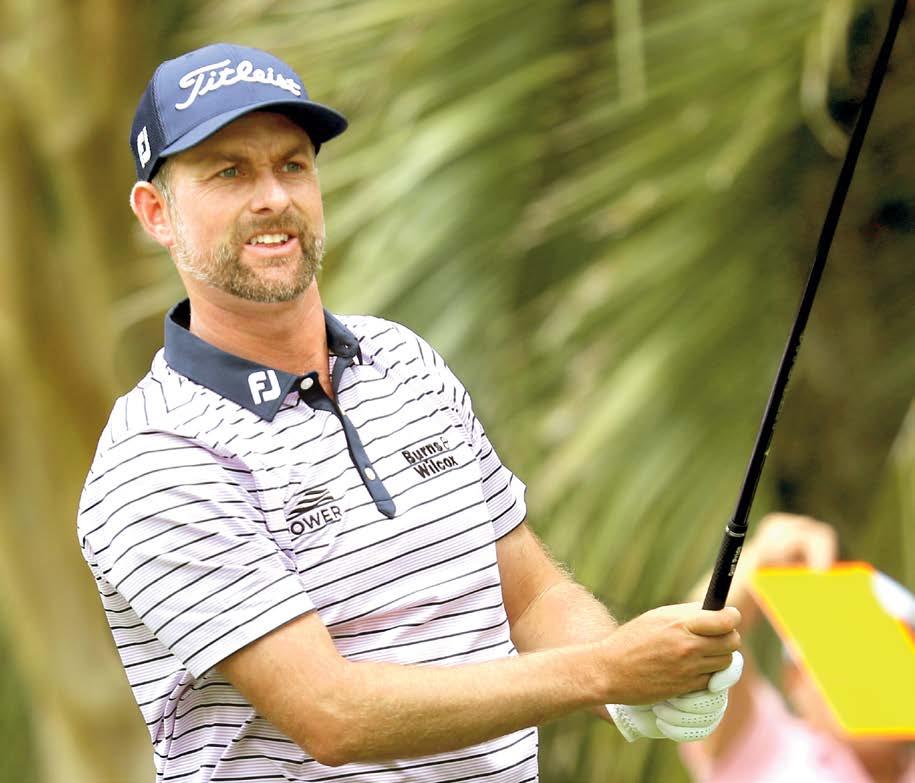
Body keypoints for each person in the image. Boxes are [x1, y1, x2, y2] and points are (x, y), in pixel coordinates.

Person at [76, 43, 743, 782]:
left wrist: (630, 688)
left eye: (292, 165)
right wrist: (603, 673)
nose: (272, 198)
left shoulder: (402, 361)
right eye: (228, 171)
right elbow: (332, 714)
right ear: (157, 213)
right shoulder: (156, 458)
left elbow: (531, 596)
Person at [680, 513, 915, 783]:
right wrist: (758, 557)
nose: (870, 675)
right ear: (795, 678)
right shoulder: (762, 749)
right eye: (844, 655)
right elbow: (696, 644)